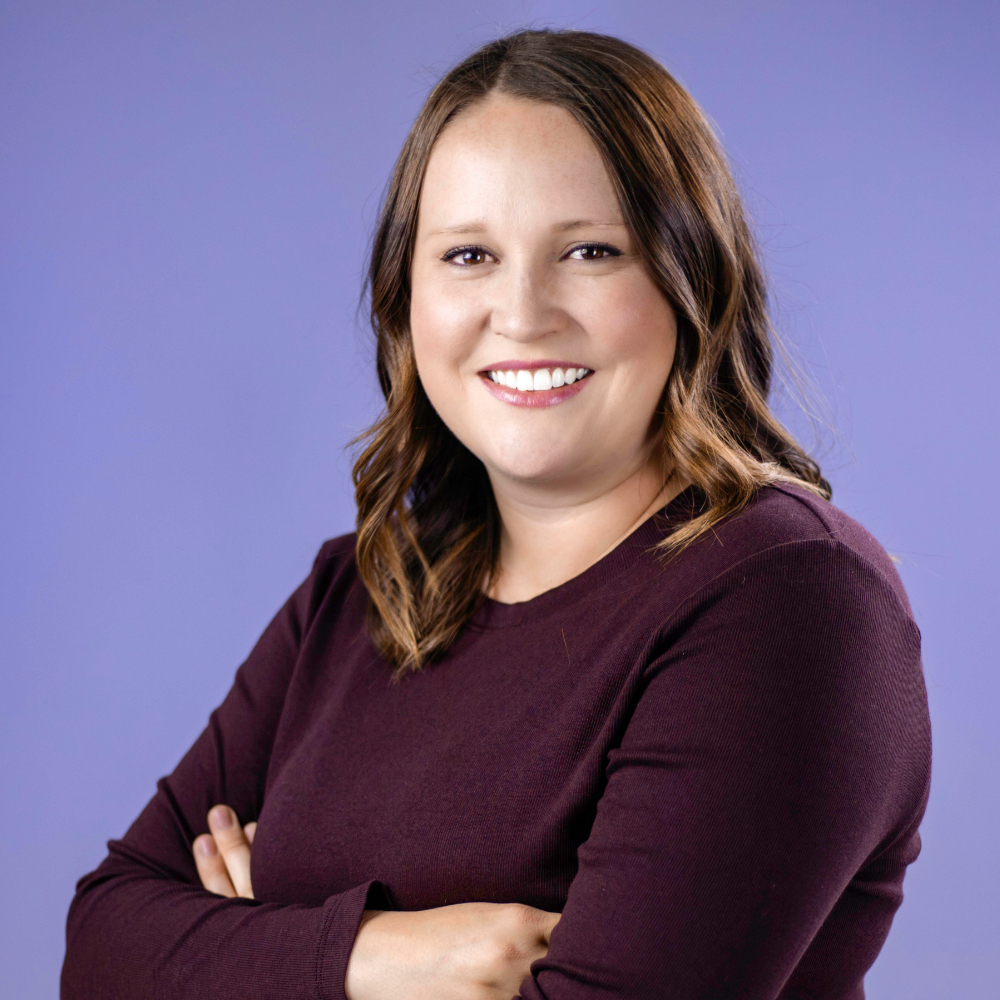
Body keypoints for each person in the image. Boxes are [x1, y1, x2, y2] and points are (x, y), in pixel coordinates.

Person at [60, 28, 931, 1000]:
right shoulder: (360, 589)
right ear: (406, 301)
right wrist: (370, 957)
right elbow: (100, 949)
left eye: (591, 250)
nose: (521, 312)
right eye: (469, 254)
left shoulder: (788, 598)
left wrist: (246, 944)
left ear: (693, 280)